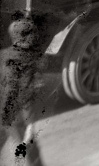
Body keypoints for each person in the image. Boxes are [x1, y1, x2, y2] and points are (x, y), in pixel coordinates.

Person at [0, 15, 44, 166]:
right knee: (30, 151)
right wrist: (30, 126)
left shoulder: (3, 55)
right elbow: (25, 95)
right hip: (16, 117)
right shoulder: (26, 60)